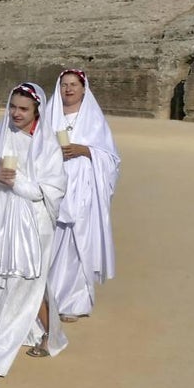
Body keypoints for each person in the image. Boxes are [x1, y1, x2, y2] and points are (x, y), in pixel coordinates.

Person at [0, 84, 68, 377]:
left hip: (35, 223)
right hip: (5, 219)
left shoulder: (47, 144)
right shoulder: (2, 134)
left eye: (23, 108)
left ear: (36, 109)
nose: (16, 113)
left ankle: (22, 341)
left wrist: (17, 182)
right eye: (13, 106)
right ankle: (45, 332)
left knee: (28, 278)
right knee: (8, 278)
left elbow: (52, 189)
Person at [46, 69, 121, 321]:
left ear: (83, 88)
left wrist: (84, 150)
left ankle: (74, 302)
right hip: (53, 188)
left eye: (73, 85)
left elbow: (110, 158)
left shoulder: (94, 119)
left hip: (83, 191)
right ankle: (48, 297)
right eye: (64, 85)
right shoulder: (49, 115)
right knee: (52, 244)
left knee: (78, 245)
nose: (68, 89)